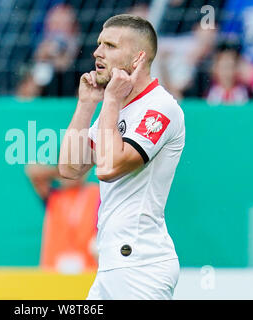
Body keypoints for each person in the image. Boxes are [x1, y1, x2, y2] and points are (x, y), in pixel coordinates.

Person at [58, 14, 185, 300]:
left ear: (138, 58)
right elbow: (70, 167)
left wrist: (111, 100)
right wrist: (86, 105)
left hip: (140, 265)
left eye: (110, 45)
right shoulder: (113, 108)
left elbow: (108, 166)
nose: (97, 52)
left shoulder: (160, 107)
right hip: (114, 264)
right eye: (99, 43)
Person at [25, 163, 99, 274]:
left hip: (88, 271)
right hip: (53, 271)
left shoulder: (95, 193)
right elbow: (32, 170)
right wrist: (66, 173)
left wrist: (77, 173)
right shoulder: (53, 195)